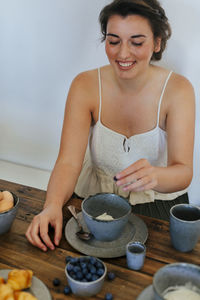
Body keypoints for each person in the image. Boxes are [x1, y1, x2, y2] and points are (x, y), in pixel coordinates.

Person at [26, 0, 195, 251]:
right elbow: (68, 162)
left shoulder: (178, 90)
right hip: (95, 202)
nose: (123, 54)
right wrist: (51, 206)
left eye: (137, 42)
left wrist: (155, 176)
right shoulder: (85, 85)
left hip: (158, 204)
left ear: (157, 43)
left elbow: (183, 172)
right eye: (113, 41)